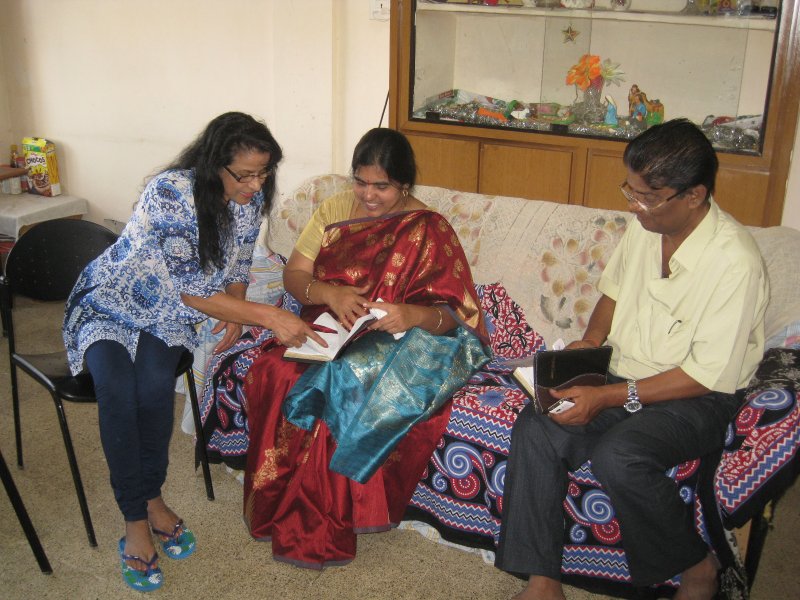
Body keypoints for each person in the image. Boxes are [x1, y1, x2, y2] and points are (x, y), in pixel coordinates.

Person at [495, 119, 769, 600]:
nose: (633, 205)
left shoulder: (734, 261)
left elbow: (705, 375)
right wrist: (590, 341)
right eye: (631, 190)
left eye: (648, 195)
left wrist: (605, 397)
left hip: (697, 397)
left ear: (694, 195)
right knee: (538, 424)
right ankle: (544, 581)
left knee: (619, 455)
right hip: (622, 374)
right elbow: (613, 293)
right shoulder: (647, 227)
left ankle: (696, 564)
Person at [203, 127, 489, 568]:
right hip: (334, 322)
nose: (368, 196)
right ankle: (276, 501)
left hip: (402, 338)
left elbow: (456, 313)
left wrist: (410, 315)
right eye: (360, 181)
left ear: (405, 185)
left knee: (338, 382)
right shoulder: (335, 208)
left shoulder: (428, 227)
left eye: (382, 186)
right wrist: (329, 293)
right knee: (276, 371)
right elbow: (294, 277)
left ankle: (319, 524)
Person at [62, 112, 323, 592]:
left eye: (264, 172)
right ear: (212, 164)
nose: (255, 183)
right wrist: (268, 317)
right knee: (119, 392)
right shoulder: (170, 193)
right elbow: (188, 288)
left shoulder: (250, 199)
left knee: (155, 390)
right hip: (110, 304)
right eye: (244, 174)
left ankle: (154, 497)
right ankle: (135, 518)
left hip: (164, 316)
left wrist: (237, 305)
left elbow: (239, 260)